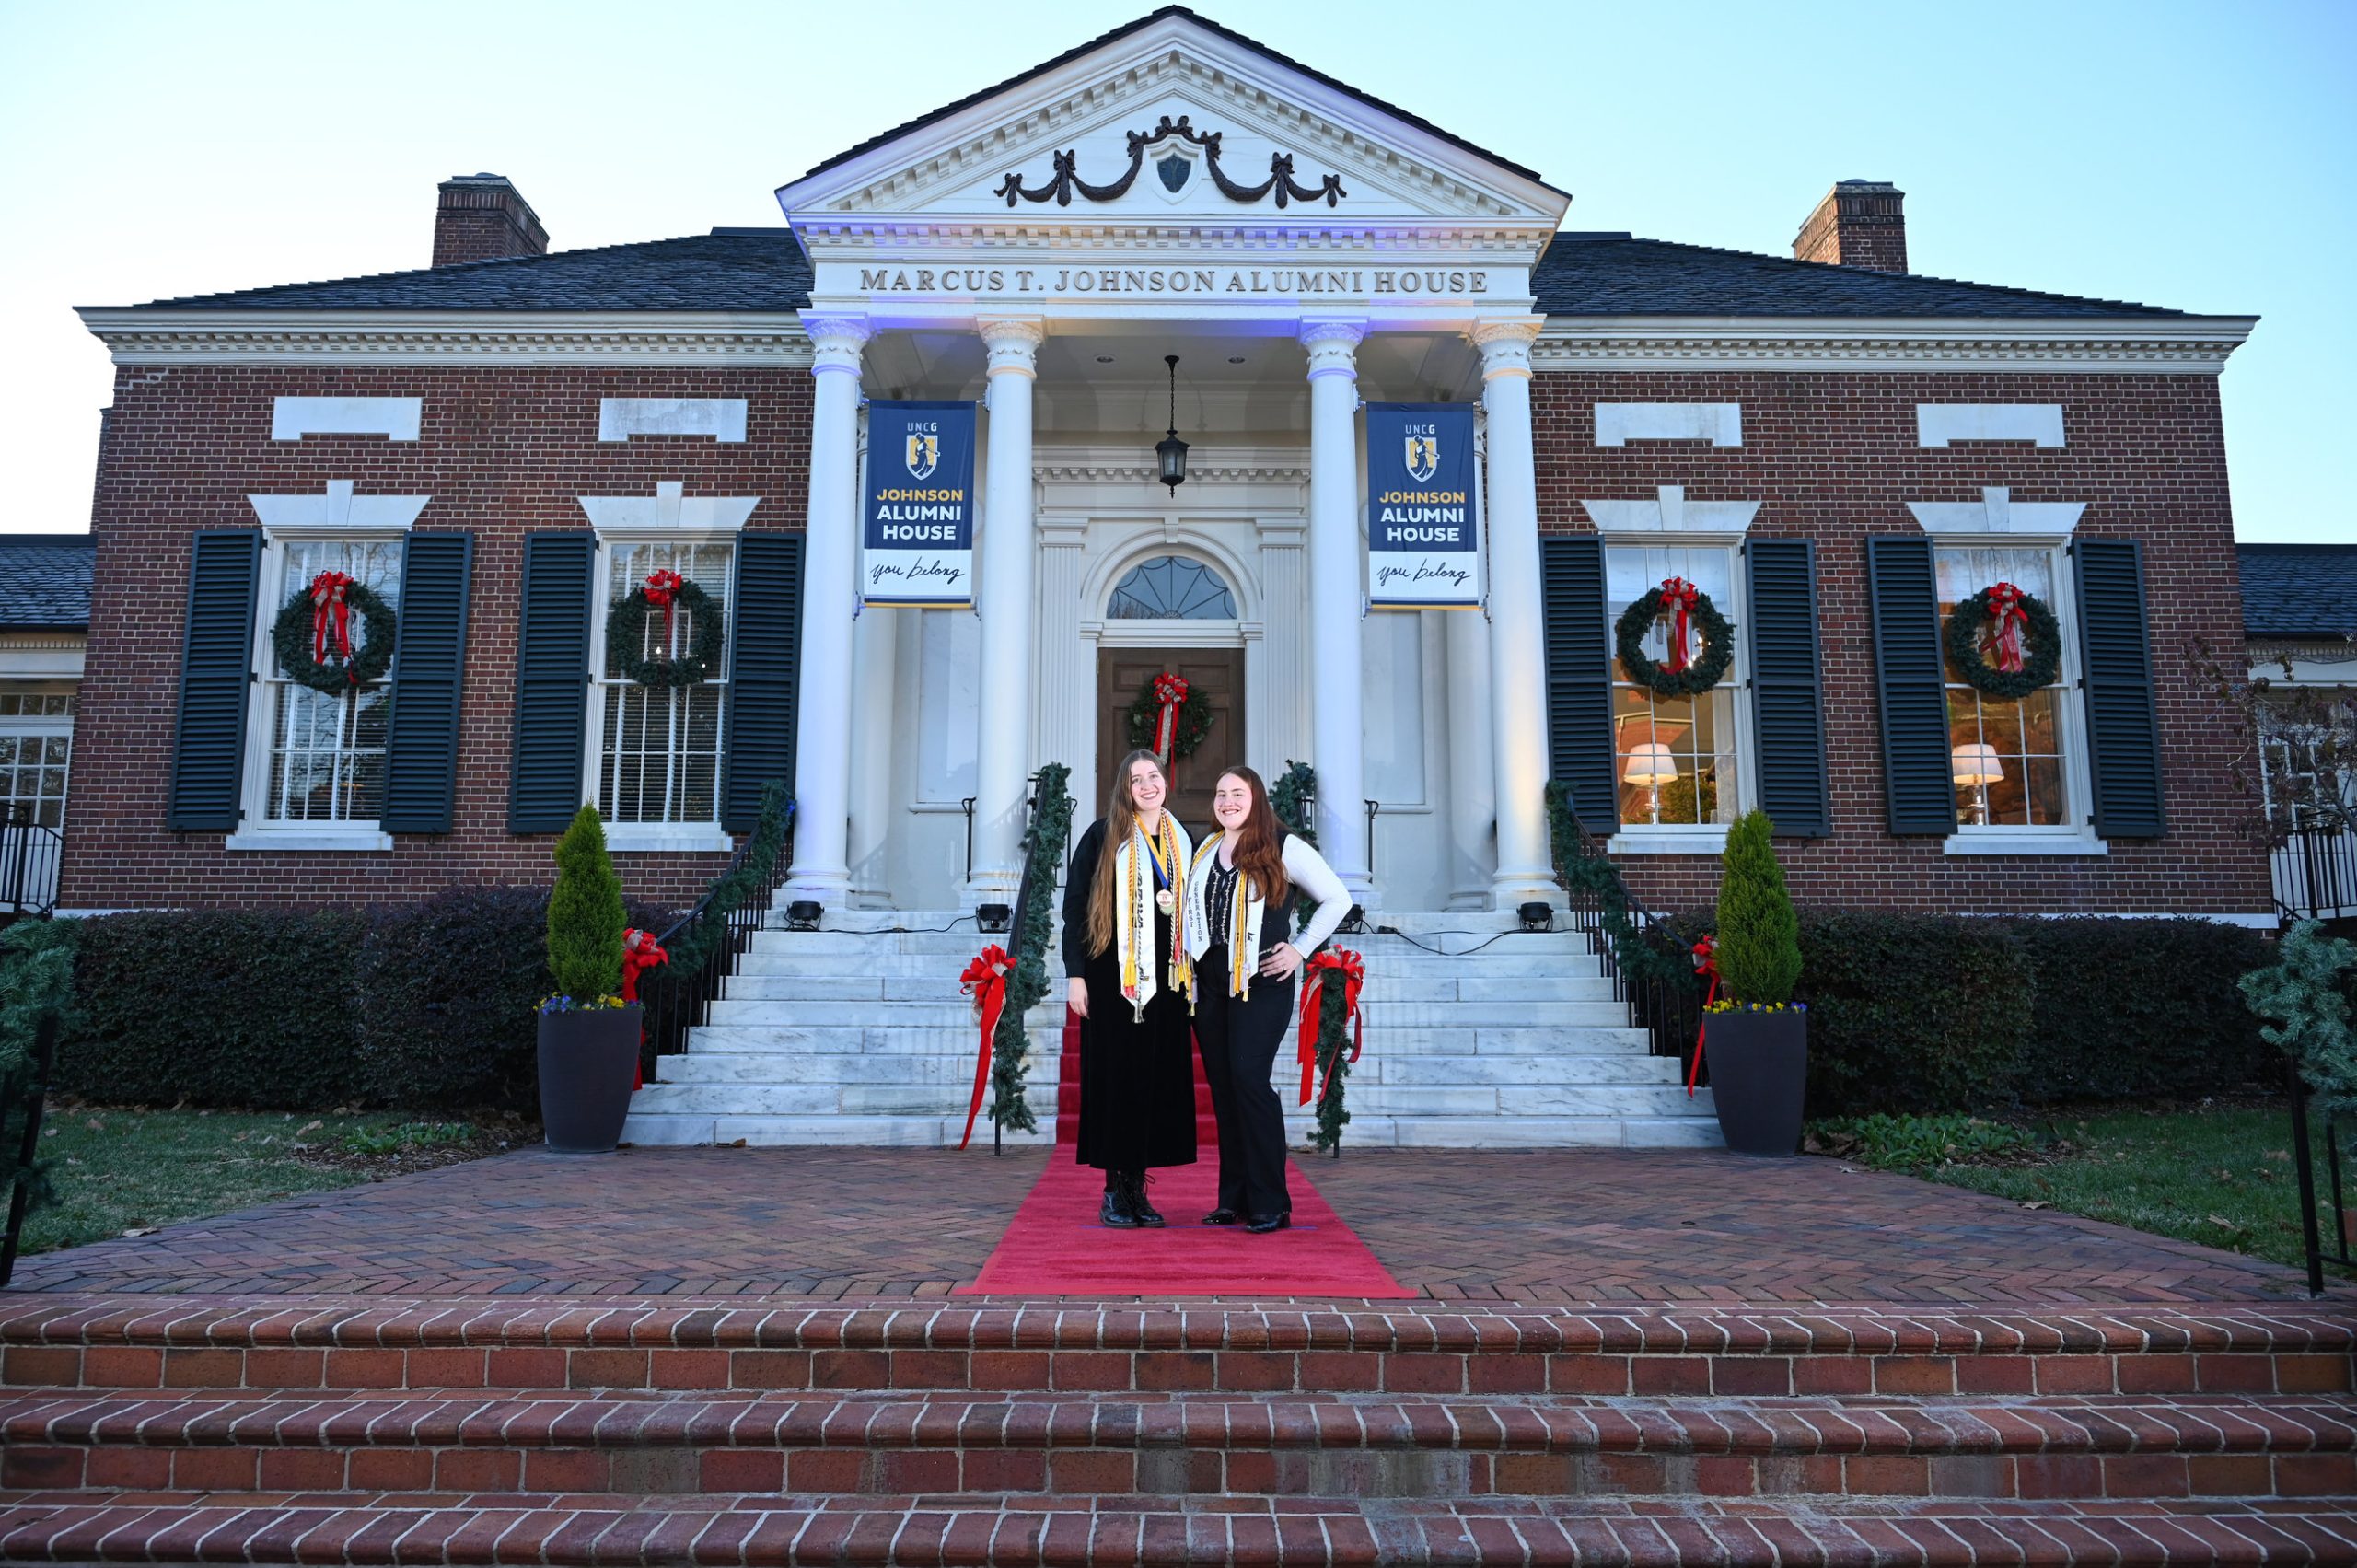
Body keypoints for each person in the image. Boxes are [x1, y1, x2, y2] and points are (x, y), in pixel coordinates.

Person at [1181, 765, 1352, 1233]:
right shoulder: (1208, 848)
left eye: (1238, 793)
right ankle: (1234, 1198)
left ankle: (1271, 1201)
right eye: (1221, 794)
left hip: (1261, 981)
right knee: (1224, 1089)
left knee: (1249, 1080)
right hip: (1210, 985)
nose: (1227, 802)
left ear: (1256, 798)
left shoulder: (1283, 845)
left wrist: (1300, 948)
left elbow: (1337, 898)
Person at [1062, 749, 1198, 1227]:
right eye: (1136, 779)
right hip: (1112, 978)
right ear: (1125, 787)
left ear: (1165, 782)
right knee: (1117, 1081)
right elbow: (1075, 906)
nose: (1146, 785)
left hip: (1169, 983)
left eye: (1153, 776)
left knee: (1153, 1083)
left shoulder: (1182, 839)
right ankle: (1114, 1192)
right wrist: (1075, 975)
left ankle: (1137, 1189)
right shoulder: (1104, 835)